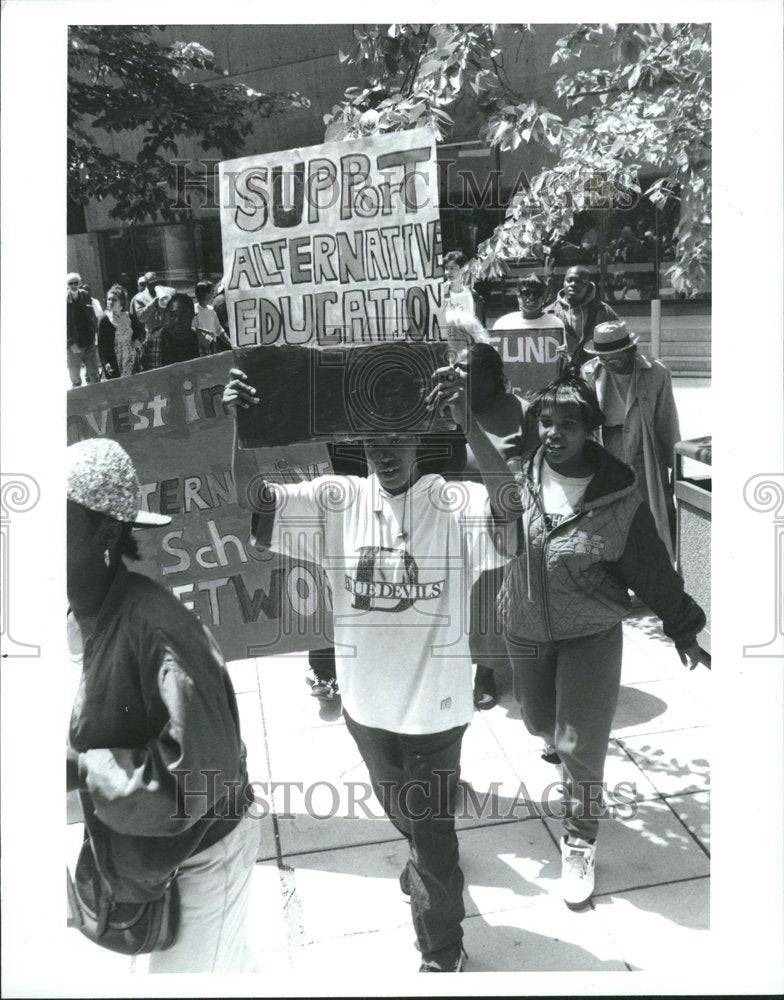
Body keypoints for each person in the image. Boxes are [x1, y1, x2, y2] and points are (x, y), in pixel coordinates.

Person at [223, 361, 521, 973]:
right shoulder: (335, 501)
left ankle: (442, 951)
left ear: (418, 440)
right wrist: (240, 426)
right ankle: (422, 866)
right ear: (359, 445)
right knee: (410, 822)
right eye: (374, 441)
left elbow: (510, 513)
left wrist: (466, 421)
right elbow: (253, 500)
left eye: (398, 438)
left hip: (437, 716)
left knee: (434, 837)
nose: (386, 452)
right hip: (366, 712)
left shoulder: (453, 501)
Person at [500, 374, 705, 911]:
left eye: (568, 423)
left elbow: (654, 571)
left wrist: (683, 627)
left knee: (579, 745)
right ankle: (560, 749)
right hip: (525, 625)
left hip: (590, 631)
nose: (553, 433)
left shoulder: (620, 498)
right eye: (546, 421)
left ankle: (580, 841)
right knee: (539, 721)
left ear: (592, 430)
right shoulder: (520, 471)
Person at [66, 438, 257, 972]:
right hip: (157, 855)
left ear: (106, 534)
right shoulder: (79, 615)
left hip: (203, 860)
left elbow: (198, 776)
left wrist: (87, 768)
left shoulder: (156, 626)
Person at [581, 320, 681, 560]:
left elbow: (667, 421)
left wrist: (675, 468)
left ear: (629, 350)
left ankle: (658, 572)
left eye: (613, 358)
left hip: (643, 446)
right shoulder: (589, 371)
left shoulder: (656, 372)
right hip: (607, 446)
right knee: (608, 515)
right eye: (602, 358)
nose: (607, 363)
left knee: (650, 513)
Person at [548, 266, 618, 370]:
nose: (573, 284)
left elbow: (619, 344)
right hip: (561, 375)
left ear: (588, 286)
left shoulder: (603, 311)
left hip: (596, 374)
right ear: (563, 283)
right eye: (569, 280)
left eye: (579, 282)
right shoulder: (549, 313)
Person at [141, 292, 219, 370]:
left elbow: (219, 375)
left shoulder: (207, 345)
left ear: (192, 315)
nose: (177, 320)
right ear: (167, 315)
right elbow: (136, 378)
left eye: (184, 315)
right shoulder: (151, 344)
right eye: (173, 315)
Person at [97, 284, 144, 379]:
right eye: (109, 299)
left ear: (121, 303)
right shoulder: (104, 320)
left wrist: (136, 340)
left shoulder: (129, 317)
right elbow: (102, 345)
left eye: (114, 300)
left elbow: (138, 332)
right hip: (115, 360)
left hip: (131, 358)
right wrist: (105, 362)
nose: (110, 302)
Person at [66, 272, 101, 388]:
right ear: (67, 285)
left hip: (88, 344)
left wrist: (94, 336)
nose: (73, 285)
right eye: (70, 283)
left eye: (76, 283)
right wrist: (70, 343)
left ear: (79, 284)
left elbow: (93, 317)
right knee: (75, 380)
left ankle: (97, 402)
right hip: (73, 347)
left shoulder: (85, 295)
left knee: (95, 377)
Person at [444, 250, 486, 326]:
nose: (448, 272)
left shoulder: (473, 296)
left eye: (452, 268)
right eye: (446, 268)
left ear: (462, 269)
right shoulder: (441, 293)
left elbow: (479, 326)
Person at [193, 280, 231, 351]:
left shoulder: (211, 310)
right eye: (212, 291)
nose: (213, 295)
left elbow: (220, 331)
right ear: (207, 294)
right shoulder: (194, 311)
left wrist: (232, 345)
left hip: (212, 351)